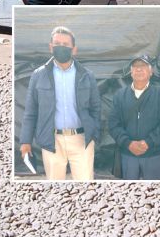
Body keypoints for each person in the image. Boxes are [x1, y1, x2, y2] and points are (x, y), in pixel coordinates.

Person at [19, 26, 100, 180]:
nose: (60, 48)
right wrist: (25, 141)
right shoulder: (38, 75)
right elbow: (30, 112)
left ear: (74, 49)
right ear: (51, 47)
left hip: (81, 140)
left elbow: (96, 108)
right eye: (57, 44)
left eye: (65, 45)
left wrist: (93, 135)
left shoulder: (87, 76)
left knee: (85, 185)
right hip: (52, 141)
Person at [108, 56, 160, 180]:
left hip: (153, 154)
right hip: (128, 154)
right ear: (131, 72)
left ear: (151, 72)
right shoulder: (120, 95)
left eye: (143, 66)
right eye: (135, 67)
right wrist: (128, 143)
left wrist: (148, 142)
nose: (139, 69)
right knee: (130, 193)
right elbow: (113, 124)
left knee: (152, 193)